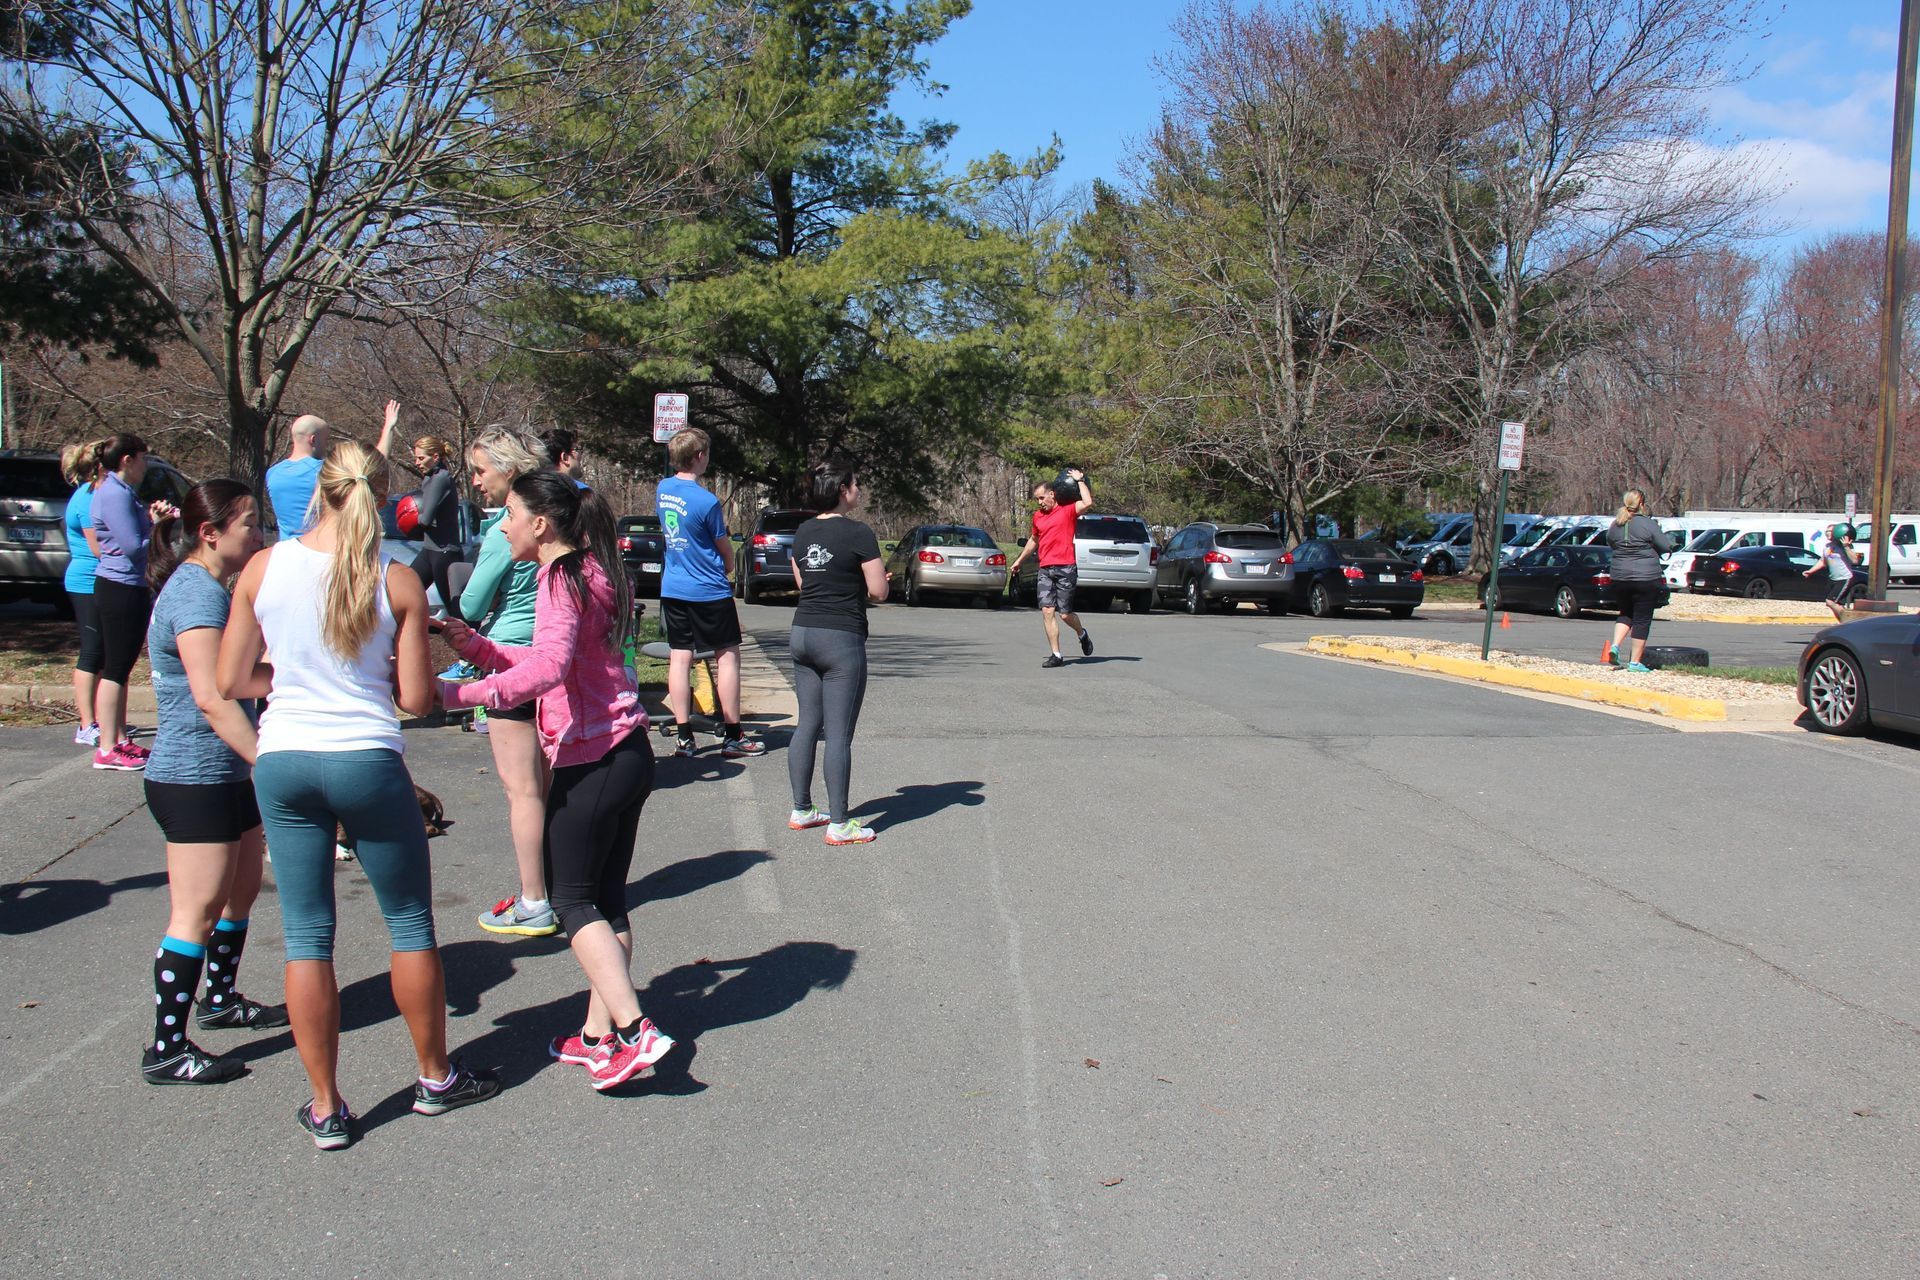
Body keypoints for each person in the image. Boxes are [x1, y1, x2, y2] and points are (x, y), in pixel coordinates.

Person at [217, 439, 499, 1150]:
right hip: (365, 758)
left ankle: (326, 1108)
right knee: (409, 924)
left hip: (283, 758)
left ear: (321, 490)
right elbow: (411, 700)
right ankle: (435, 1078)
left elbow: (230, 679)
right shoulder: (395, 580)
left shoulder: (262, 567)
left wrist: (287, 685)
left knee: (308, 937)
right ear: (377, 497)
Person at [439, 471, 676, 1091]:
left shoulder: (556, 577)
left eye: (509, 513)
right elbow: (559, 659)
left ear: (540, 524)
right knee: (607, 903)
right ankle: (599, 1037)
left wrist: (459, 693)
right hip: (629, 753)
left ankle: (633, 1030)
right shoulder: (591, 569)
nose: (501, 524)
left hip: (595, 759)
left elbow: (545, 671)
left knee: (571, 902)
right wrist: (479, 648)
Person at [139, 479, 288, 1085]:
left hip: (229, 773)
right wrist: (268, 762)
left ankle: (220, 999)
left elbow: (246, 677)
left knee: (242, 892)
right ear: (210, 533)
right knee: (194, 912)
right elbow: (212, 696)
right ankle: (167, 1048)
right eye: (250, 524)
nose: (260, 535)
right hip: (193, 776)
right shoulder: (196, 597)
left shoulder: (217, 590)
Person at [458, 427, 558, 938]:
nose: (476, 481)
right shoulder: (563, 515)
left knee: (523, 792)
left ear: (510, 470)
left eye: (481, 470)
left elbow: (471, 605)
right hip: (556, 659)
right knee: (549, 781)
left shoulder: (505, 529)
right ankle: (557, 885)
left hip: (510, 661)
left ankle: (534, 900)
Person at [785, 462, 888, 846]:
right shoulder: (859, 533)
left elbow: (803, 580)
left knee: (808, 723)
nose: (859, 490)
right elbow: (878, 591)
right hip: (840, 638)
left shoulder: (803, 530)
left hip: (802, 633)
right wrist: (861, 582)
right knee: (839, 734)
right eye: (857, 484)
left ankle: (802, 809)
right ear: (843, 489)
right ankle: (840, 823)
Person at [656, 427, 765, 759]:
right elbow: (724, 549)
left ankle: (685, 736)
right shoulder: (706, 501)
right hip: (707, 590)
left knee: (680, 657)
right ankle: (733, 735)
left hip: (673, 587)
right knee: (728, 656)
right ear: (700, 457)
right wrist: (730, 565)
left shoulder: (663, 489)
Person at [91, 433, 174, 770]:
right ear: (127, 460)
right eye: (143, 458)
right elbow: (134, 548)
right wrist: (158, 525)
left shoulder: (121, 491)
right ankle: (107, 747)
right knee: (115, 668)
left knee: (122, 667)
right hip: (119, 587)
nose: (146, 465)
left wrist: (154, 520)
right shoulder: (114, 494)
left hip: (128, 586)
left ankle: (120, 738)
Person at [264, 401, 398, 540]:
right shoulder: (324, 471)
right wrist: (388, 427)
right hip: (323, 549)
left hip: (288, 550)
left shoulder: (272, 473)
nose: (326, 445)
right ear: (313, 440)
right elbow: (373, 466)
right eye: (326, 440)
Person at [1004, 468, 1094, 668]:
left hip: (1066, 568)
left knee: (1065, 614)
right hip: (1045, 568)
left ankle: (1082, 633)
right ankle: (1057, 654)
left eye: (1042, 498)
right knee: (1047, 611)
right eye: (1037, 499)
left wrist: (1080, 481)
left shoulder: (1067, 510)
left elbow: (1088, 502)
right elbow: (1033, 540)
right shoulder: (1038, 517)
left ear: (1052, 494)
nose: (1040, 502)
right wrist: (1019, 560)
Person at [61, 440, 108, 749]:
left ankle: (101, 719)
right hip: (86, 581)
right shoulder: (87, 499)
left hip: (100, 580)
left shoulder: (97, 496)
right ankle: (86, 724)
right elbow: (97, 548)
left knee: (103, 651)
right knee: (91, 651)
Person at [1602, 488, 1673, 672]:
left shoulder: (1615, 524)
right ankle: (1634, 662)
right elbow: (1665, 546)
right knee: (1642, 619)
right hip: (1646, 577)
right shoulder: (1647, 524)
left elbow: (1610, 543)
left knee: (1625, 613)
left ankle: (1615, 646)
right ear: (1642, 503)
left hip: (1619, 577)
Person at [405, 433, 464, 607]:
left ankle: (470, 634)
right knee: (405, 590)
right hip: (429, 550)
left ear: (436, 457)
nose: (417, 463)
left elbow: (425, 519)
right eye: (416, 458)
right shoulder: (429, 478)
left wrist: (407, 518)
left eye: (421, 458)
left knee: (455, 609)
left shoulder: (441, 479)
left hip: (445, 553)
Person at [1805, 523, 1863, 621]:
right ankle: (1843, 624)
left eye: (1830, 531)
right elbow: (1823, 561)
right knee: (1837, 605)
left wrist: (1846, 546)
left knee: (1830, 602)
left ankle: (1849, 620)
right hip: (1833, 578)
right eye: (1826, 531)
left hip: (1844, 578)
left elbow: (1855, 561)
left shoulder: (1844, 546)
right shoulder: (1827, 547)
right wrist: (1810, 571)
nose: (1828, 533)